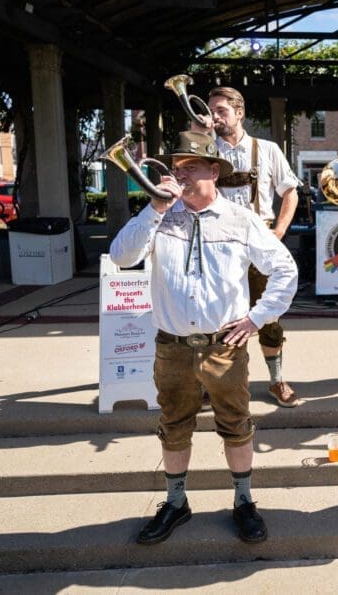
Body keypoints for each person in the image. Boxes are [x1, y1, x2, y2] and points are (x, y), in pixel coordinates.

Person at [110, 131, 298, 546]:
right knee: (173, 426)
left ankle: (244, 502)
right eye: (177, 168)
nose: (180, 174)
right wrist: (156, 207)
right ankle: (176, 503)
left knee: (236, 424)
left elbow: (285, 270)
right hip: (172, 347)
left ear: (214, 170)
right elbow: (122, 257)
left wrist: (256, 319)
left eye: (190, 166)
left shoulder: (241, 218)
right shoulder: (159, 214)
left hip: (224, 346)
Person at [195, 86, 302, 408]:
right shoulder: (204, 150)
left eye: (221, 111)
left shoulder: (267, 149)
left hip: (258, 247)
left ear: (239, 113)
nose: (215, 117)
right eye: (211, 111)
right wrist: (200, 137)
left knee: (268, 316)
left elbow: (290, 191)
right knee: (211, 316)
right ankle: (210, 383)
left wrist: (279, 231)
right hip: (215, 248)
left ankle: (276, 380)